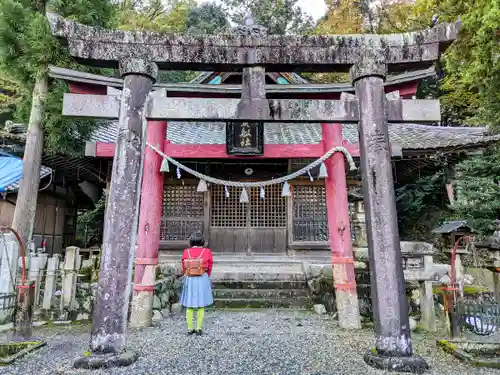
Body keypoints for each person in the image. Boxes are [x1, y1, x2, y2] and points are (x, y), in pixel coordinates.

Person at [180, 231, 214, 335]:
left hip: (190, 278)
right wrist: (206, 275)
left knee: (189, 305)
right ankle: (198, 328)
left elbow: (183, 266)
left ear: (191, 241)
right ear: (202, 241)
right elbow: (210, 265)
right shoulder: (207, 252)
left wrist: (186, 273)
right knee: (200, 305)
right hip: (202, 277)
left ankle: (190, 328)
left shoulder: (186, 252)